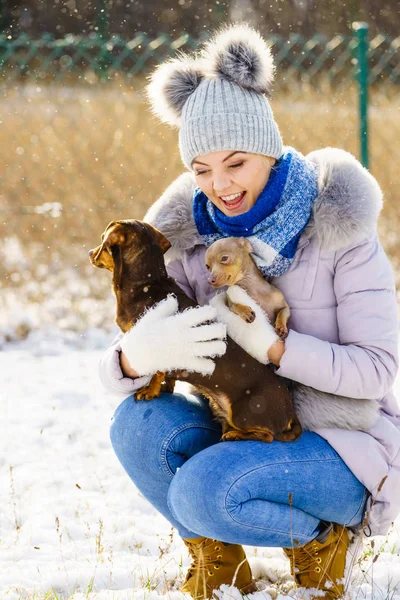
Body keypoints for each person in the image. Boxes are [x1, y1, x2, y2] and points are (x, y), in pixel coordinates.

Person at [99, 24, 400, 600]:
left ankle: (321, 541)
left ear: (268, 148)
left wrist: (274, 348)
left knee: (201, 492)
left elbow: (376, 370)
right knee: (136, 425)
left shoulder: (339, 232)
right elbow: (110, 370)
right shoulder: (189, 238)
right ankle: (220, 565)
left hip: (339, 443)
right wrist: (137, 356)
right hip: (239, 419)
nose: (220, 186)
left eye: (235, 163)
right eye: (202, 170)